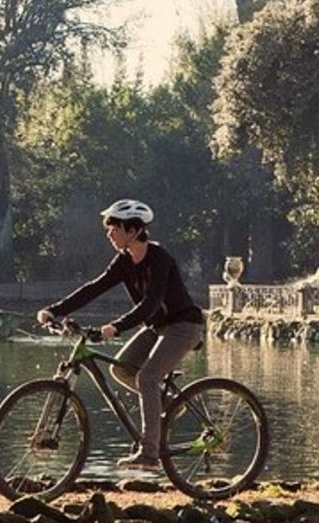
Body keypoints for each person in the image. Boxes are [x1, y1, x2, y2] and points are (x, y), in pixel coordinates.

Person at [36, 199, 205, 470]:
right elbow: (94, 287)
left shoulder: (159, 259)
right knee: (122, 370)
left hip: (184, 325)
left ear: (133, 230)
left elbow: (150, 303)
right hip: (156, 327)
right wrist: (54, 311)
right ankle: (170, 405)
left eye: (113, 229)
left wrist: (116, 327)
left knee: (148, 377)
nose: (109, 234)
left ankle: (149, 453)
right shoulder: (124, 261)